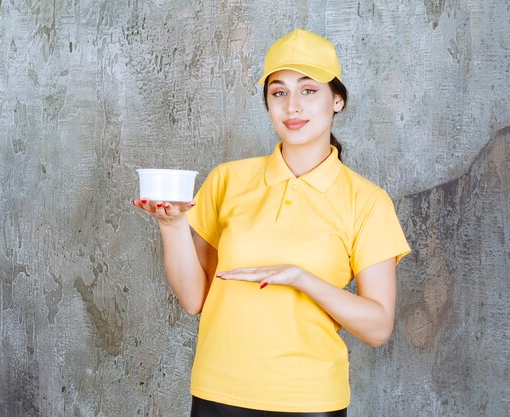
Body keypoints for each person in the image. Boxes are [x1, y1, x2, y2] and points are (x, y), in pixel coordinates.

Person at [132, 29, 411, 417]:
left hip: (311, 400)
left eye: (308, 90)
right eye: (279, 92)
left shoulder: (367, 202)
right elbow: (194, 299)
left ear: (337, 100)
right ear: (267, 103)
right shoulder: (228, 180)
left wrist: (301, 278)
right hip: (218, 392)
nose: (292, 106)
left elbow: (378, 327)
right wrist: (172, 227)